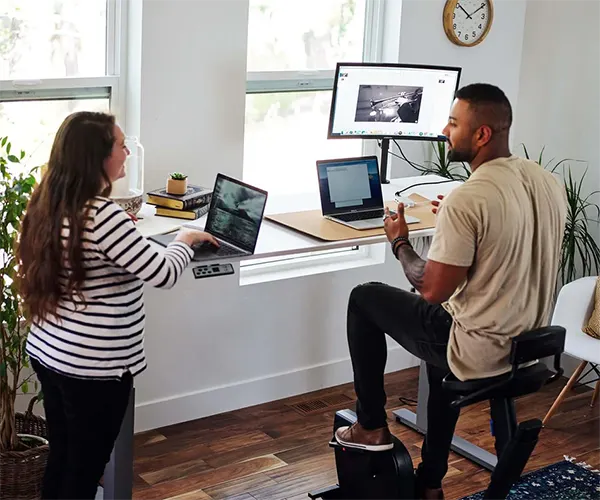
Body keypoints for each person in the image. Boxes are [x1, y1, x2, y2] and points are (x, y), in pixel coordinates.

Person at [334, 84, 567, 500]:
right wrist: (457, 230)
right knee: (436, 347)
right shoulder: (545, 181)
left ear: (482, 135)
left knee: (364, 297)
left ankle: (369, 426)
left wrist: (399, 241)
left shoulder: (471, 198)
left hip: (479, 349)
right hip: (530, 343)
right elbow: (508, 240)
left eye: (454, 123)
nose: (444, 130)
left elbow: (431, 289)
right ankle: (430, 482)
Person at [16, 111, 218, 500]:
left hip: (49, 352)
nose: (127, 152)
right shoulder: (102, 215)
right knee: (84, 469)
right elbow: (163, 273)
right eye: (120, 145)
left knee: (63, 458)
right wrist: (185, 238)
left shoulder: (49, 202)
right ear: (98, 157)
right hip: (92, 369)